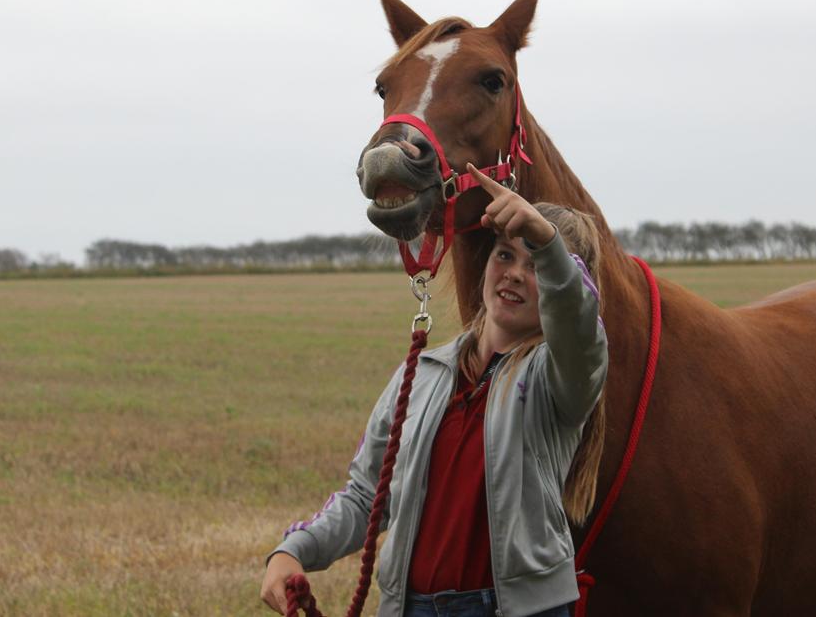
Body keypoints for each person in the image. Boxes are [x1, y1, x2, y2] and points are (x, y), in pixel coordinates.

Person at [261, 163, 608, 617]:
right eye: (505, 255)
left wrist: (548, 242)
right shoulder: (421, 373)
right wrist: (294, 549)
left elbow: (580, 326)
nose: (516, 274)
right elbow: (368, 494)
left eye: (537, 265)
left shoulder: (562, 379)